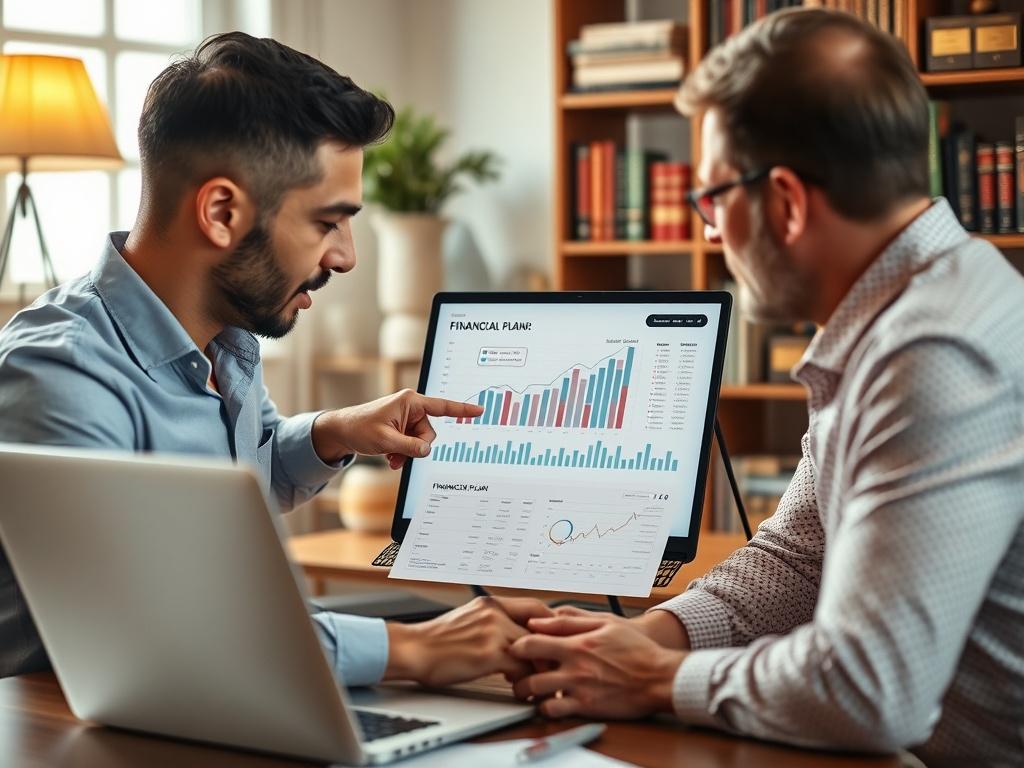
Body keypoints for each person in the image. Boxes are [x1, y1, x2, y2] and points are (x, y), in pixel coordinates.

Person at [508, 9, 1024, 766]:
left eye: (713, 198)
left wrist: (658, 678)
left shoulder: (934, 351)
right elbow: (795, 558)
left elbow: (868, 689)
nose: (710, 234)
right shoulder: (904, 309)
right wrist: (637, 638)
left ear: (784, 201)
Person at [0, 32, 551, 684]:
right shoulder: (59, 381)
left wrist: (329, 434)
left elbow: (237, 468)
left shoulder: (222, 340)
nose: (346, 256)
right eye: (328, 222)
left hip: (215, 708)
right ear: (222, 212)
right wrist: (416, 650)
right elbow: (158, 632)